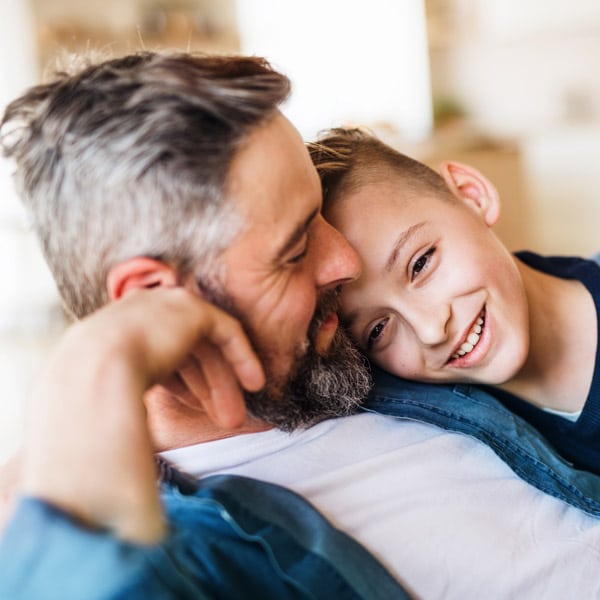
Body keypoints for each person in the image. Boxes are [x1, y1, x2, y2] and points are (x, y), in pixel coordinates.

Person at [3, 51, 600, 599]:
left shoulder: (337, 364)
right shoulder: (192, 545)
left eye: (319, 212)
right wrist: (87, 370)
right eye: (293, 250)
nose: (343, 261)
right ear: (151, 297)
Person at [310, 126, 600, 473]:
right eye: (378, 330)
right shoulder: (455, 448)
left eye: (420, 264)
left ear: (471, 194)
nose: (431, 330)